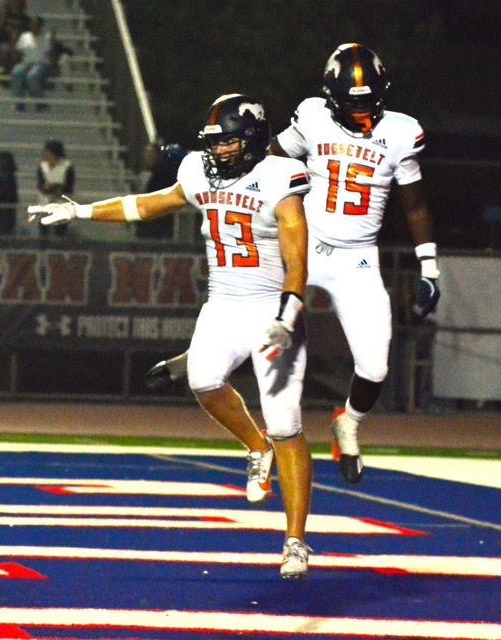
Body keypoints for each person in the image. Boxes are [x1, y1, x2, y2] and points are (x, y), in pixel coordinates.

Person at [28, 93, 314, 579]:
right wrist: (80, 213)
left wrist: (288, 313)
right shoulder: (200, 174)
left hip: (272, 306)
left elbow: (297, 256)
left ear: (250, 141)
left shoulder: (280, 178)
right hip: (223, 303)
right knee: (203, 380)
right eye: (213, 143)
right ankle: (255, 447)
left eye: (225, 143)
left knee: (285, 420)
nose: (215, 151)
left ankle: (295, 541)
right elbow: (147, 205)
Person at [144, 43, 441, 486]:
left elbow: (414, 205)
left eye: (368, 103)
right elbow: (257, 158)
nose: (359, 113)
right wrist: (194, 163)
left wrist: (429, 267)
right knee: (254, 311)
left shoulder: (401, 132)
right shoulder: (313, 116)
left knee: (376, 366)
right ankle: (198, 357)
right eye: (350, 103)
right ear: (329, 96)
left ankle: (349, 425)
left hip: (357, 259)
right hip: (305, 245)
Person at [135, 141, 187, 240]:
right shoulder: (145, 175)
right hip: (146, 221)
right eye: (146, 154)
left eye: (151, 154)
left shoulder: (164, 174)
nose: (147, 157)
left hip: (159, 223)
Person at [10, 15, 53, 111]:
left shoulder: (46, 37)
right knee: (16, 72)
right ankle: (19, 104)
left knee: (32, 76)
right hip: (26, 63)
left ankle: (41, 103)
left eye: (37, 25)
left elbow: (50, 55)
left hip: (41, 64)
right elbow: (17, 53)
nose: (34, 26)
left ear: (41, 26)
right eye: (33, 24)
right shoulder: (24, 37)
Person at [36, 139, 75, 238]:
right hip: (44, 204)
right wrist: (53, 187)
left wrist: (53, 187)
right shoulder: (42, 166)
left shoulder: (67, 167)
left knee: (60, 234)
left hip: (62, 204)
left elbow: (69, 186)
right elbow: (41, 186)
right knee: (43, 232)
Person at [0, 0, 31, 75]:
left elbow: (27, 38)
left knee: (17, 53)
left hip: (18, 46)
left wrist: (15, 42)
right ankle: (4, 77)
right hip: (3, 43)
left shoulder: (25, 19)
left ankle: (10, 74)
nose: (14, 3)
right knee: (5, 50)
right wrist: (3, 18)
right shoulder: (2, 16)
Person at [0, 150, 18, 235]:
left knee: (2, 235)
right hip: (4, 213)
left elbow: (2, 194)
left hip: (4, 212)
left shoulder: (5, 176)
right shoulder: (8, 176)